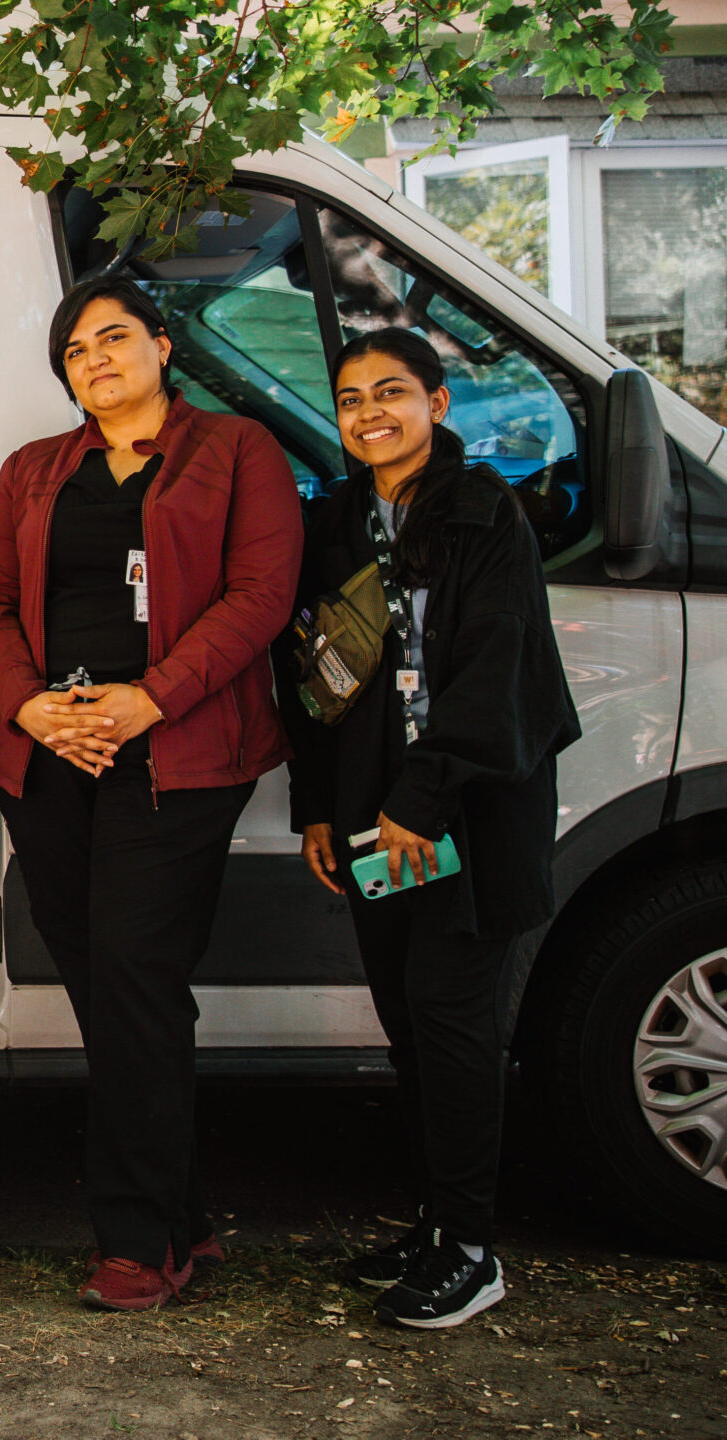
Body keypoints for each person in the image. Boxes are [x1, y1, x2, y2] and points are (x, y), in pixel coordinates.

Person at [0, 273, 302, 1311]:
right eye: (75, 350)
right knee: (114, 991)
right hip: (50, 756)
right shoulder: (32, 471)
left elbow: (260, 597)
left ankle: (135, 1239)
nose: (95, 359)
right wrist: (30, 709)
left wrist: (147, 701)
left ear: (162, 347)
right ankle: (182, 1220)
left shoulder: (235, 452)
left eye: (114, 339)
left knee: (136, 983)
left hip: (176, 758)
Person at [283, 328, 578, 1329]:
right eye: (353, 397)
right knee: (409, 1023)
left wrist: (424, 800)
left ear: (439, 403)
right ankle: (434, 1222)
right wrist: (319, 807)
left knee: (454, 1025)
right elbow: (313, 679)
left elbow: (496, 668)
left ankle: (471, 1248)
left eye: (392, 393)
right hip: (374, 818)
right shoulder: (336, 518)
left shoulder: (482, 512)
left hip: (464, 818)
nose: (370, 413)